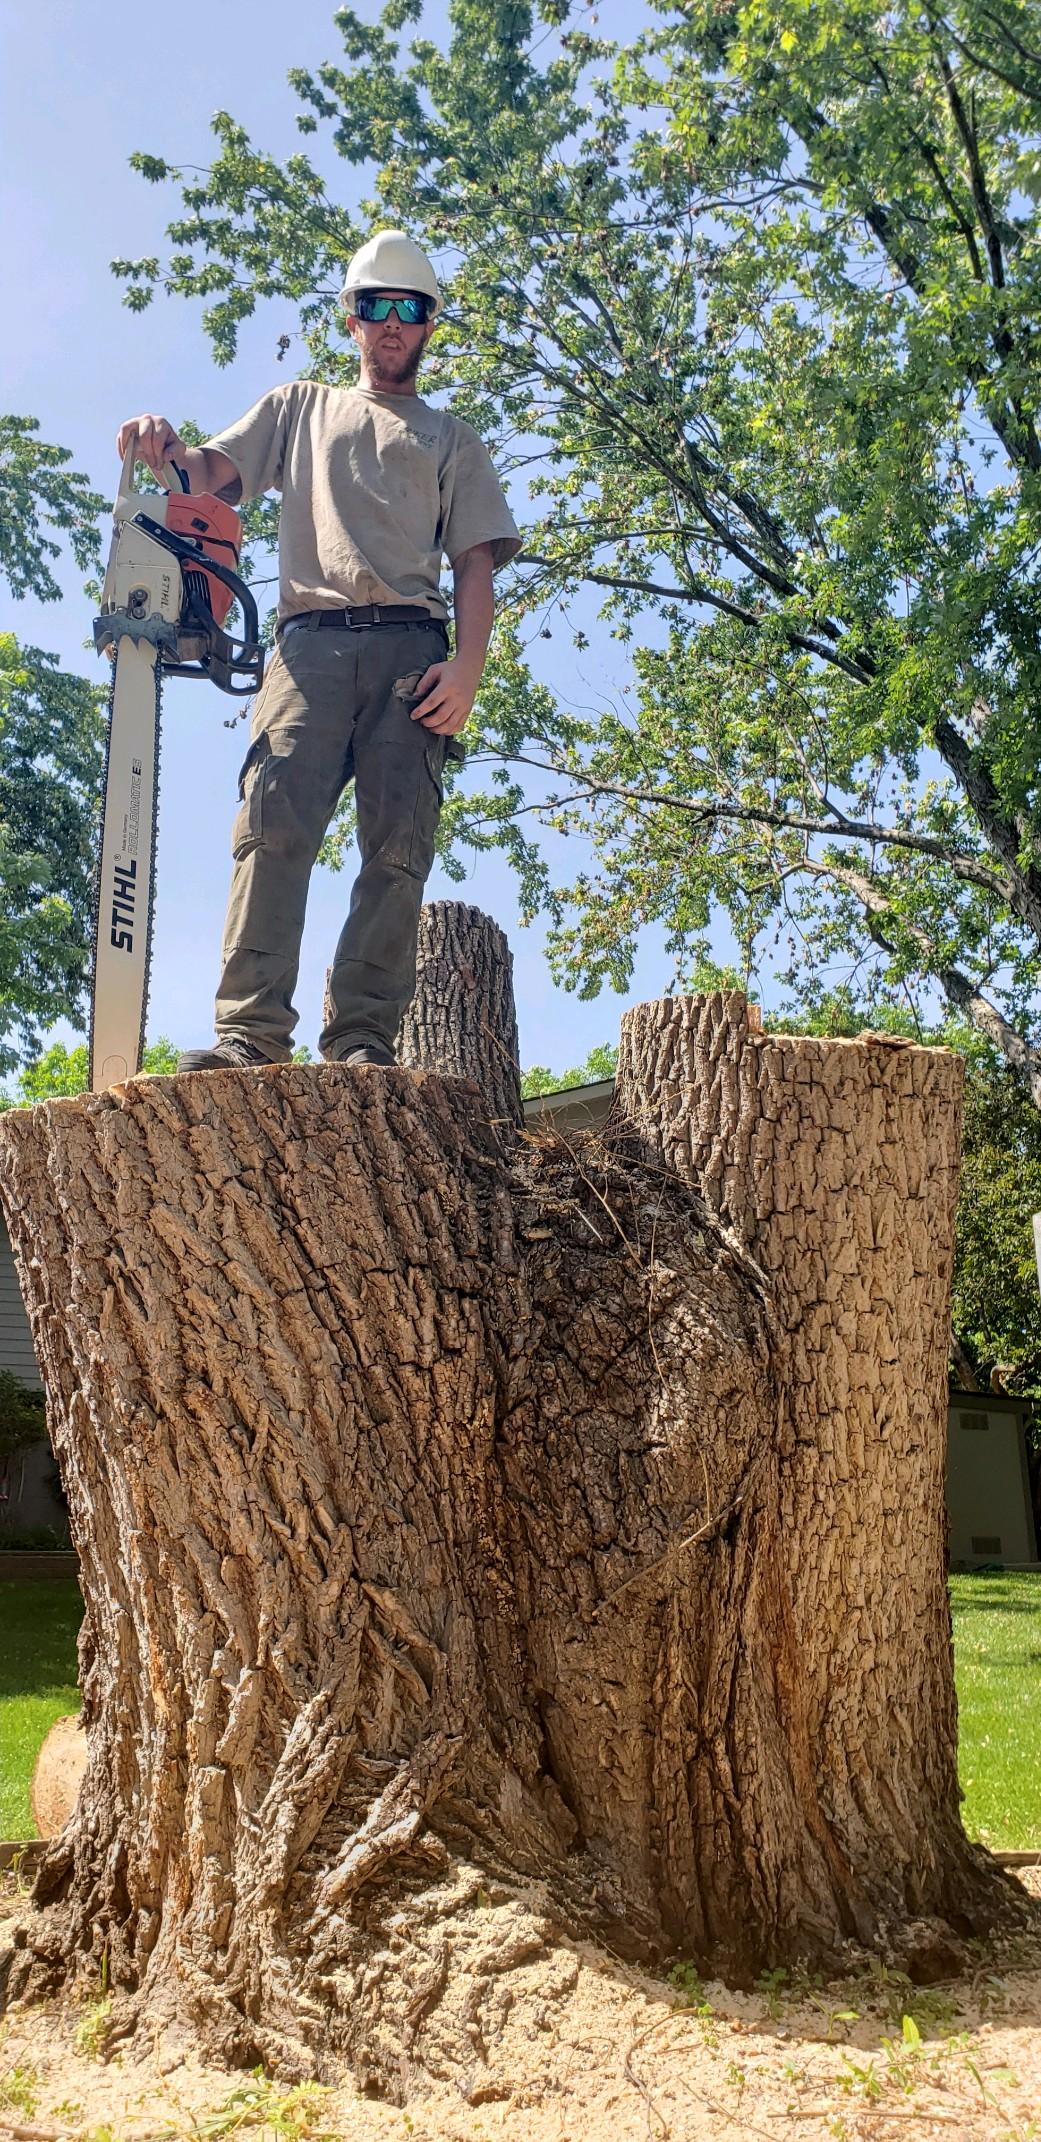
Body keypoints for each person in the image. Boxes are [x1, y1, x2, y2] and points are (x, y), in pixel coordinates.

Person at [116, 230, 521, 1071]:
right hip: (306, 649)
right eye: (374, 307)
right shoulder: (299, 407)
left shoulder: (452, 439)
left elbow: (476, 562)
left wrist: (469, 670)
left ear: (429, 324)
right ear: (350, 319)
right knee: (272, 829)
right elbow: (204, 475)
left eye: (408, 309)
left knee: (397, 848)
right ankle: (250, 1037)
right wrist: (163, 444)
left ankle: (364, 1040)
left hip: (413, 651)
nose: (390, 324)